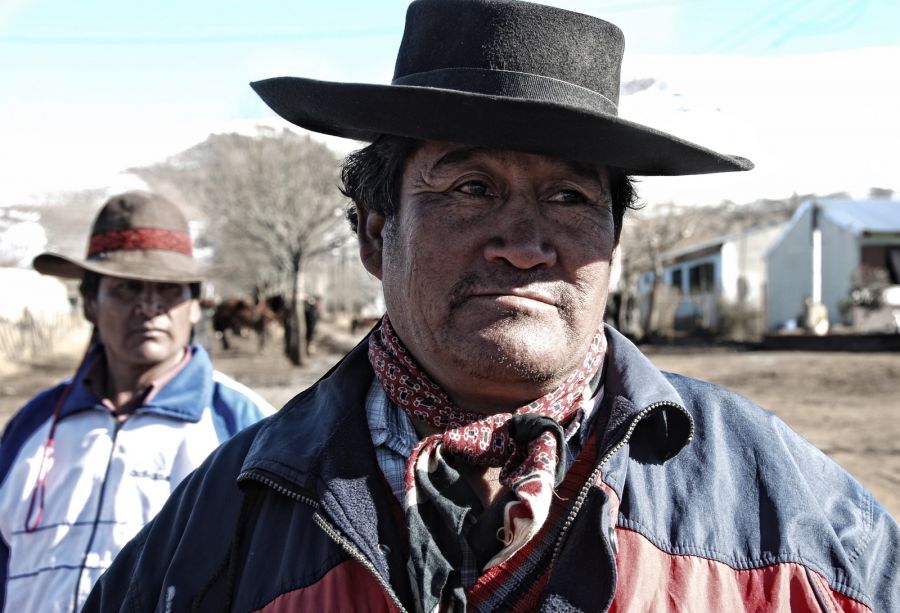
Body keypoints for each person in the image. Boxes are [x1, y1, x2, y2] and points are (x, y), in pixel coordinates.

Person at [86, 2, 899, 611]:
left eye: (569, 197)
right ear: (375, 233)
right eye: (470, 188)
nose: (524, 243)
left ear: (612, 242)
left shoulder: (770, 499)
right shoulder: (233, 513)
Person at [0, 191, 274, 612]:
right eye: (127, 289)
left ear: (195, 306)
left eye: (168, 290)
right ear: (91, 303)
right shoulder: (34, 425)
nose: (149, 307)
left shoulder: (244, 426)